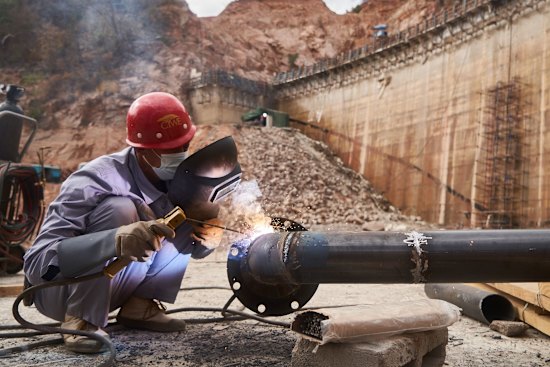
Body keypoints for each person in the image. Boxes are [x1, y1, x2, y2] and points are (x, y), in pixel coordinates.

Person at [23, 92, 223, 353]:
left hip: (117, 288)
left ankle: (139, 306)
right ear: (141, 150)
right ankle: (81, 320)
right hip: (59, 291)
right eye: (168, 150)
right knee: (120, 208)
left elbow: (192, 246)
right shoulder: (96, 179)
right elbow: (38, 261)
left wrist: (209, 239)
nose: (179, 155)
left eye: (183, 146)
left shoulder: (178, 181)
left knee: (187, 208)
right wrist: (113, 240)